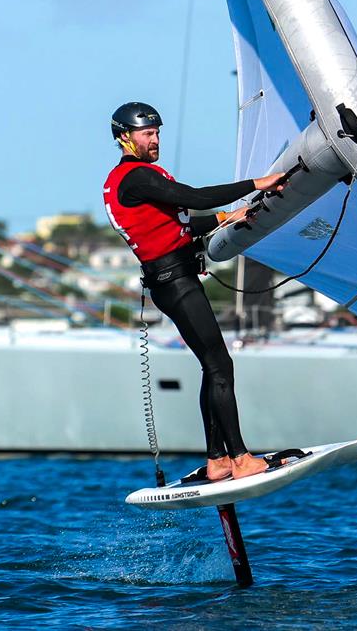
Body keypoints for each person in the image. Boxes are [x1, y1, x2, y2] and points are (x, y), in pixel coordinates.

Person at [103, 102, 287, 481]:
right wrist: (257, 184)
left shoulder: (136, 179)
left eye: (157, 133)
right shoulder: (135, 177)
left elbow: (177, 222)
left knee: (212, 366)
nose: (155, 140)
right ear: (125, 138)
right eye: (147, 134)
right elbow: (195, 198)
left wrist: (226, 218)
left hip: (173, 280)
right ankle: (240, 459)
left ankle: (217, 460)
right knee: (221, 365)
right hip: (176, 283)